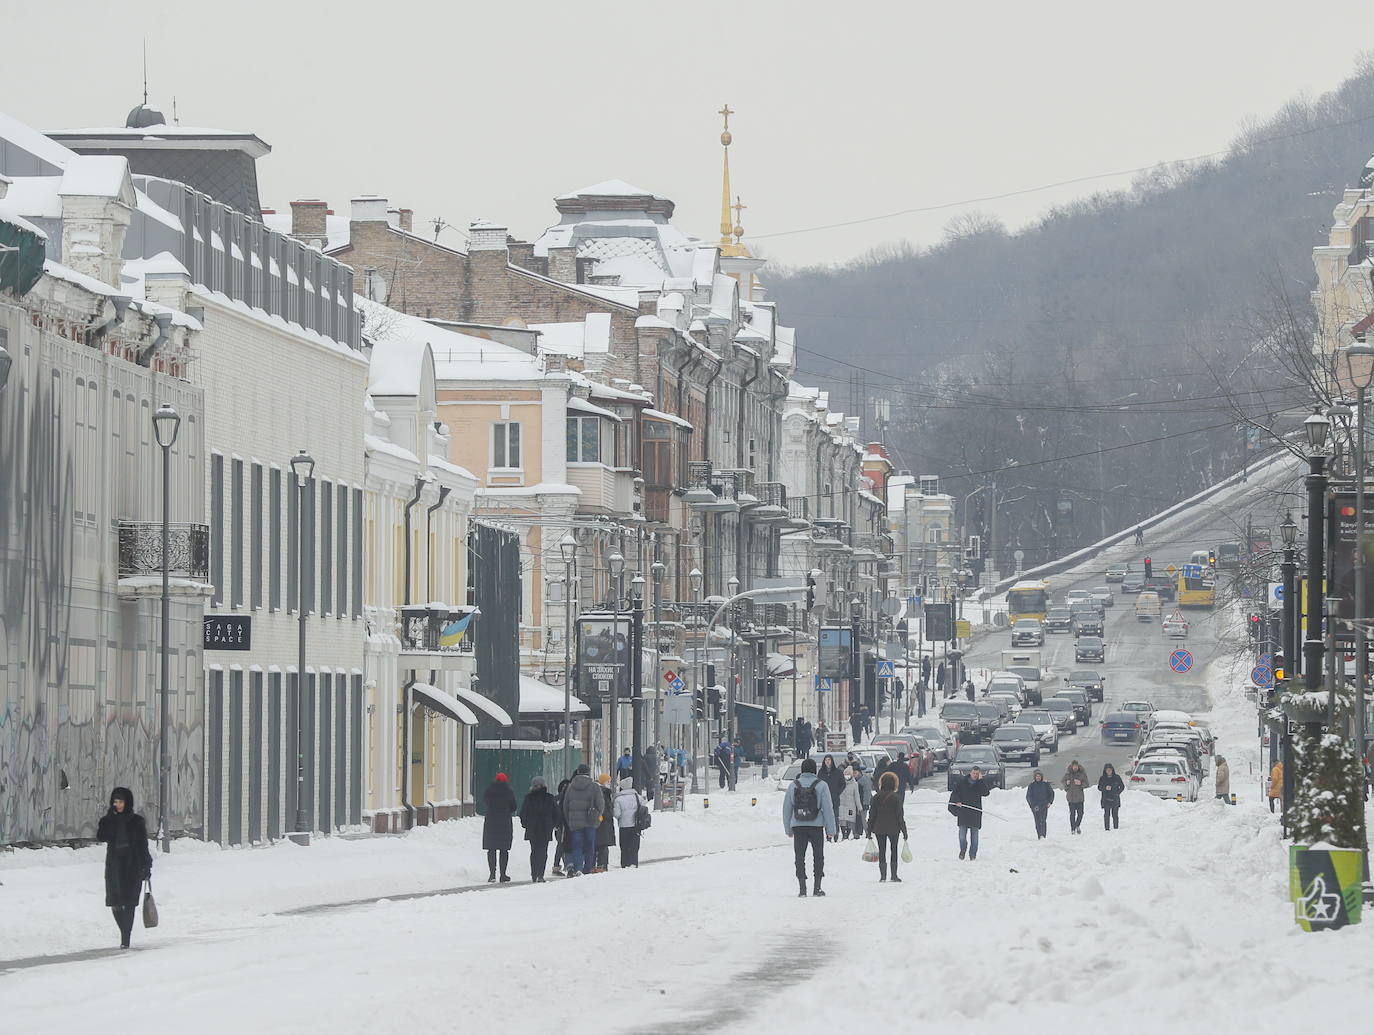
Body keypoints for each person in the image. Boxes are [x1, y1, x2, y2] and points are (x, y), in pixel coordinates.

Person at [97, 786, 152, 949]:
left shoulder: (136, 822)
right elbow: (101, 837)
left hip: (132, 866)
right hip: (114, 867)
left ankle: (125, 940)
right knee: (115, 903)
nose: (117, 804)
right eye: (115, 801)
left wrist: (146, 865)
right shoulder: (108, 820)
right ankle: (125, 933)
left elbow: (143, 845)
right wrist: (109, 820)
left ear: (127, 802)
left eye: (120, 801)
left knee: (129, 903)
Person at [783, 757, 837, 897]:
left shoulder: (793, 785)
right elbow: (828, 809)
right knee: (818, 856)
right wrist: (831, 830)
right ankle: (817, 887)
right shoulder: (822, 785)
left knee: (799, 856)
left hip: (798, 826)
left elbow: (786, 809)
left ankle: (802, 888)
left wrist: (788, 829)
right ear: (814, 770)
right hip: (816, 826)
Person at [560, 765, 603, 877]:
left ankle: (578, 867)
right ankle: (587, 868)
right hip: (591, 821)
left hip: (575, 823)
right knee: (589, 846)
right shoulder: (594, 787)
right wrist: (597, 815)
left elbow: (565, 805)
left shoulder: (571, 787)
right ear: (588, 773)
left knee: (577, 846)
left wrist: (569, 820)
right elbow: (600, 804)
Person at [867, 770, 909, 881]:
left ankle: (883, 876)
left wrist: (869, 829)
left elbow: (872, 814)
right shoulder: (896, 798)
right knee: (893, 850)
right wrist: (904, 831)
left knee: (882, 850)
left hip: (879, 828)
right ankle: (894, 875)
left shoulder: (876, 797)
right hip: (894, 828)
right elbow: (900, 816)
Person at [518, 776, 559, 882]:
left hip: (533, 828)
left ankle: (534, 873)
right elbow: (556, 813)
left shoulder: (529, 798)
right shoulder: (550, 797)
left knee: (534, 851)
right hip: (545, 829)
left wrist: (526, 824)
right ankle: (540, 874)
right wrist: (553, 824)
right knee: (543, 852)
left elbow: (523, 813)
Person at [948, 766, 991, 860]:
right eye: (973, 773)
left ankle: (973, 855)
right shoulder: (962, 782)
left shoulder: (980, 784)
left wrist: (980, 781)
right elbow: (954, 794)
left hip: (975, 813)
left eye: (977, 774)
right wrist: (957, 801)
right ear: (970, 773)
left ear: (979, 774)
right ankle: (963, 850)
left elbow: (986, 793)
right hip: (963, 812)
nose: (975, 775)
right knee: (962, 836)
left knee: (974, 837)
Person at [482, 772, 518, 882]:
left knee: (491, 849)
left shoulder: (489, 790)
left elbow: (485, 802)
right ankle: (503, 874)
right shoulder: (509, 791)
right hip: (504, 823)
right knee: (504, 849)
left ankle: (492, 874)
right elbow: (514, 807)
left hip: (491, 822)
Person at [612, 776, 646, 867]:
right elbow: (644, 809)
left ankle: (625, 864)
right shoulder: (638, 797)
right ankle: (634, 863)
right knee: (634, 847)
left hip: (623, 826)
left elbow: (617, 814)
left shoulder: (618, 799)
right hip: (636, 825)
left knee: (624, 847)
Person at [818, 754, 845, 841]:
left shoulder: (838, 772)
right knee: (826, 817)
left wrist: (837, 792)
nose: (827, 761)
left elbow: (843, 784)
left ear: (832, 761)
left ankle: (836, 833)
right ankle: (828, 835)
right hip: (824, 799)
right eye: (826, 760)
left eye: (829, 760)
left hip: (834, 798)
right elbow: (818, 784)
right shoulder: (821, 772)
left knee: (835, 817)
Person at [594, 774, 617, 871]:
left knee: (601, 846)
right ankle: (602, 866)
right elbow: (604, 808)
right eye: (608, 781)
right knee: (602, 846)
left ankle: (601, 865)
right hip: (603, 823)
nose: (610, 783)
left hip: (602, 823)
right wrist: (609, 814)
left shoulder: (603, 792)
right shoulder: (602, 792)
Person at [1062, 760, 1090, 834]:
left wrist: (1081, 783)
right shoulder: (1068, 774)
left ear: (1078, 766)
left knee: (1081, 813)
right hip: (1071, 797)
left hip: (1080, 797)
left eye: (1076, 766)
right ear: (1071, 766)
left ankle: (1077, 825)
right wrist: (1066, 783)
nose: (1075, 767)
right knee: (1072, 814)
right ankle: (1072, 829)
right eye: (1073, 766)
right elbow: (1062, 781)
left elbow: (1087, 784)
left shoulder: (1082, 774)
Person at [551, 777, 571, 876]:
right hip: (563, 825)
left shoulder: (556, 798)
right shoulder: (564, 799)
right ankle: (564, 865)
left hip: (558, 825)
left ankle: (559, 865)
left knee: (561, 845)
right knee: (563, 845)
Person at [1026, 769, 1054, 838]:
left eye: (1039, 776)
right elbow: (1028, 796)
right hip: (1035, 806)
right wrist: (1031, 805)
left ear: (1041, 777)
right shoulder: (1031, 785)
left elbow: (1051, 793)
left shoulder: (1045, 784)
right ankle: (1039, 835)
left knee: (1043, 821)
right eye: (1037, 776)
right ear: (1034, 777)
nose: (1038, 777)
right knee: (1037, 821)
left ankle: (1043, 835)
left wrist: (1050, 802)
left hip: (1044, 805)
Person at [1098, 763, 1125, 830]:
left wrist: (1117, 793)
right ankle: (1107, 828)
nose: (1109, 771)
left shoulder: (1117, 777)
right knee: (1107, 814)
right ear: (1105, 771)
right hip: (1106, 799)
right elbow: (1099, 787)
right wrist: (1105, 788)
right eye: (1107, 770)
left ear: (1112, 770)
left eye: (1110, 770)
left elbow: (1122, 786)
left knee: (1115, 814)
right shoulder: (1102, 778)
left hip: (1115, 798)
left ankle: (1116, 828)